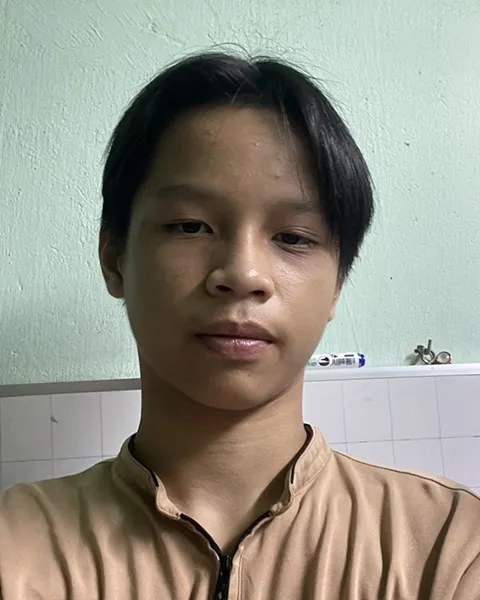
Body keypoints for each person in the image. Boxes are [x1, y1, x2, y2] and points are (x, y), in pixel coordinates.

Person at [0, 51, 479, 600]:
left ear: (337, 285)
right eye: (190, 226)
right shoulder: (16, 552)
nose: (244, 274)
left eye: (293, 237)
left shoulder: (449, 548)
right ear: (114, 259)